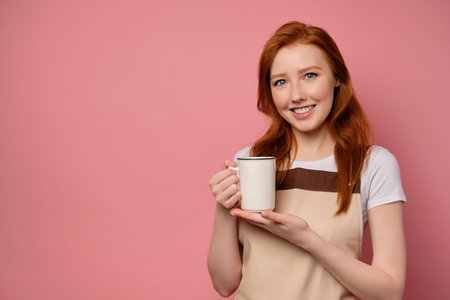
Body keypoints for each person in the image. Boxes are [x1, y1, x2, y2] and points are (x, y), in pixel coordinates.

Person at [207, 21, 406, 300]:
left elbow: (390, 291)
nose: (297, 95)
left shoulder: (373, 165)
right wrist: (223, 208)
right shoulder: (249, 161)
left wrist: (309, 240)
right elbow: (224, 284)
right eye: (281, 82)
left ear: (337, 77)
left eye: (310, 75)